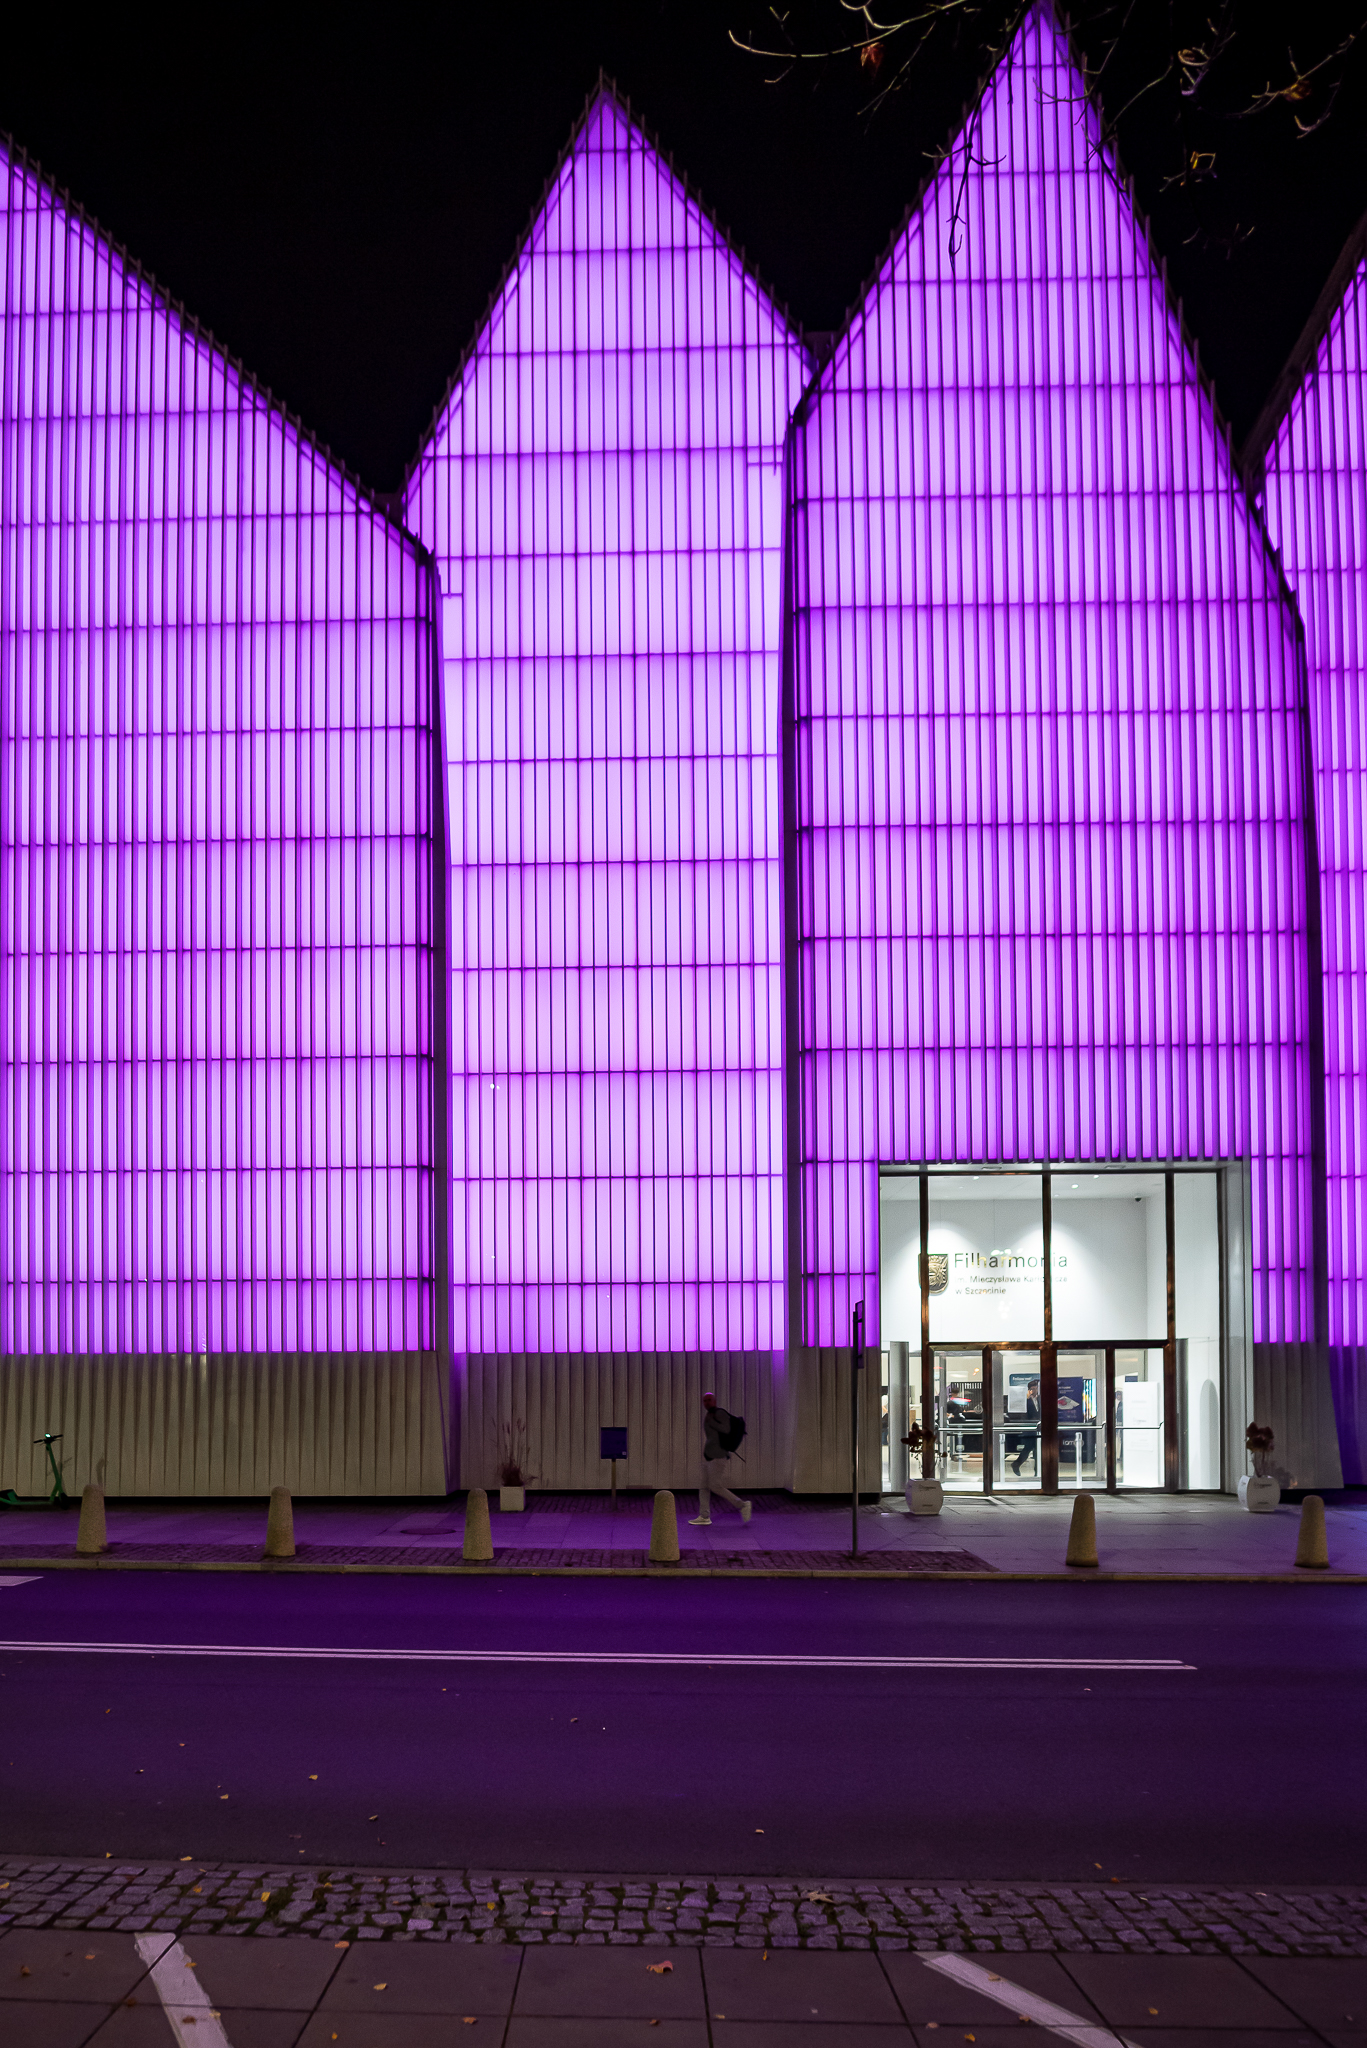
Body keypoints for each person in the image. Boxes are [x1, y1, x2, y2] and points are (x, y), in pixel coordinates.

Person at [688, 1390, 752, 1525]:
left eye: (709, 1400)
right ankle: (704, 1516)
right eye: (705, 1400)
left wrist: (712, 1422)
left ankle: (742, 1505)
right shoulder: (710, 1414)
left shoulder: (719, 1413)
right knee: (703, 1487)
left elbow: (726, 1429)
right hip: (709, 1456)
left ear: (715, 1401)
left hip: (718, 1456)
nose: (707, 1403)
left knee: (715, 1485)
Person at [1009, 1379, 1041, 1476]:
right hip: (1029, 1429)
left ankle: (1037, 1471)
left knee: (1037, 1450)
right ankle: (1017, 1464)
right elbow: (1023, 1415)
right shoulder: (1025, 1401)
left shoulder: (1040, 1399)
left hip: (1038, 1429)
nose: (1034, 1390)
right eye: (1032, 1389)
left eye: (1035, 1388)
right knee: (1028, 1448)